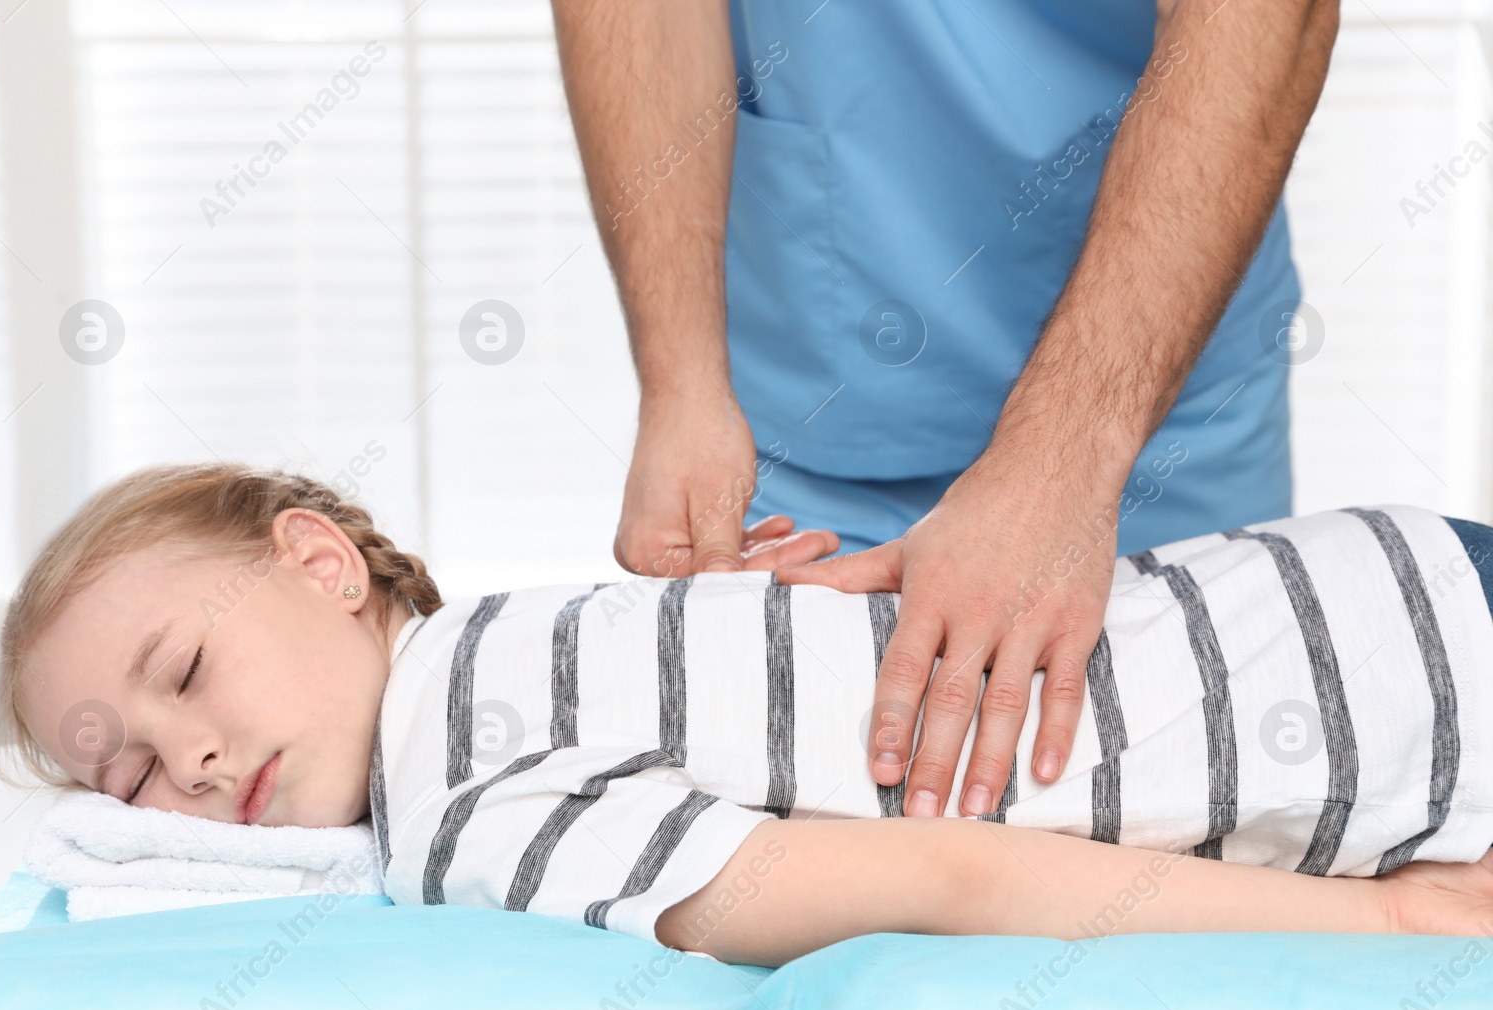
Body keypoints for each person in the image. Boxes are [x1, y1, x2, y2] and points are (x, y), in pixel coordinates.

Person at [0, 463, 1493, 968]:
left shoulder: (458, 811)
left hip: (1410, 717)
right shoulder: (505, 661)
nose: (177, 758)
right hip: (1368, 587)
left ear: (321, 562)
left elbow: (938, 876)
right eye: (123, 776)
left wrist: (1386, 932)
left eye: (182, 671)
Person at [550, 0, 1342, 824]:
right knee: (823, 830)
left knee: (1184, 811)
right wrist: (682, 379)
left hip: (1150, 385)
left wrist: (1063, 461)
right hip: (811, 399)